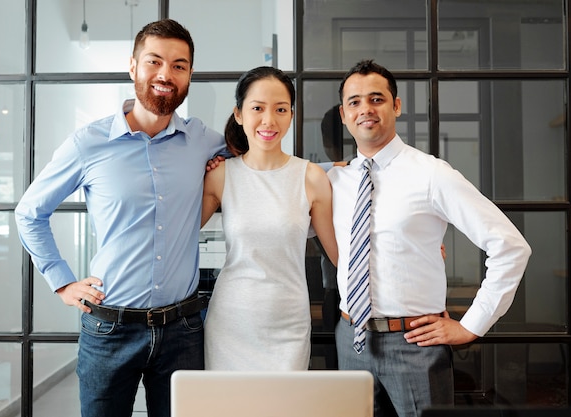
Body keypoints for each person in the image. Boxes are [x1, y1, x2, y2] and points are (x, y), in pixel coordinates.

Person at [15, 19, 229, 417]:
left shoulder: (205, 141)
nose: (166, 74)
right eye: (155, 62)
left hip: (183, 329)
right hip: (108, 331)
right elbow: (29, 212)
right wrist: (62, 281)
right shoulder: (88, 143)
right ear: (133, 67)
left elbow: (259, 161)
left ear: (189, 75)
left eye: (179, 65)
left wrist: (331, 174)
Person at [328, 59, 531, 417]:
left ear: (396, 106)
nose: (366, 110)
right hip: (350, 341)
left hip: (415, 344)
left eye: (376, 99)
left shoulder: (432, 175)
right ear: (344, 114)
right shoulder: (333, 181)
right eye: (355, 102)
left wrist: (471, 325)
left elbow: (510, 246)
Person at [201, 66, 338, 370]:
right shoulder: (221, 175)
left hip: (289, 324)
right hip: (230, 323)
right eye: (257, 108)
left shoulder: (312, 177)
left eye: (280, 109)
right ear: (239, 114)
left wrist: (412, 254)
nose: (269, 120)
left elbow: (341, 255)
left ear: (291, 114)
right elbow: (174, 231)